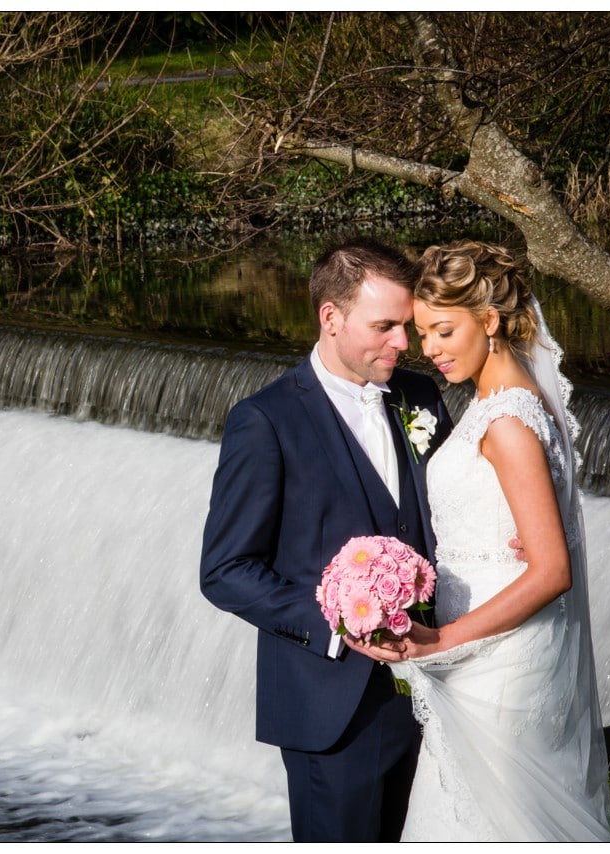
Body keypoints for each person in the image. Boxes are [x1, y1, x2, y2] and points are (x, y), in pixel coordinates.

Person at [351, 240, 610, 841]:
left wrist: (439, 640)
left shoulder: (508, 421)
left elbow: (550, 572)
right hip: (485, 647)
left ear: (489, 322)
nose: (429, 349)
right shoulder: (502, 401)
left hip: (501, 660)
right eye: (423, 333)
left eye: (443, 331)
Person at [199, 237, 454, 842]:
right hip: (332, 708)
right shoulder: (265, 422)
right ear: (330, 318)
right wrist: (340, 621)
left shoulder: (421, 398)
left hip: (437, 691)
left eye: (407, 325)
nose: (404, 343)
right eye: (385, 326)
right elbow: (226, 569)